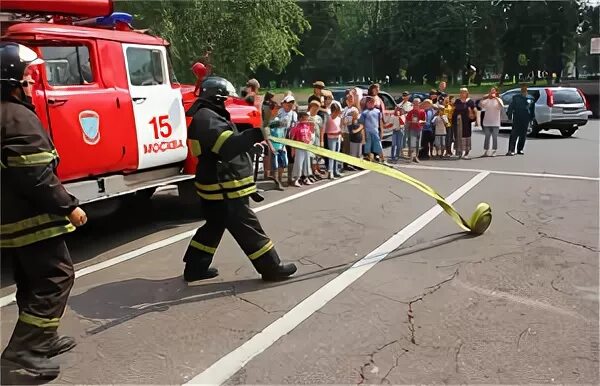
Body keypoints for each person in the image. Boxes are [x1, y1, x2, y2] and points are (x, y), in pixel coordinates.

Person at [0, 42, 88, 379]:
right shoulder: (18, 116)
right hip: (33, 217)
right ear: (12, 82)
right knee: (56, 278)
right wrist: (69, 206)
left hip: (11, 216)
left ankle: (43, 338)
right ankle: (23, 352)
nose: (32, 85)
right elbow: (36, 174)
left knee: (31, 280)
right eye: (27, 79)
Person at [183, 76, 297, 282]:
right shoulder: (208, 118)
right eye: (225, 99)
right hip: (224, 185)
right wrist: (256, 134)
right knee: (247, 226)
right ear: (216, 98)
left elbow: (221, 146)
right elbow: (227, 147)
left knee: (214, 225)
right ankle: (271, 267)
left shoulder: (207, 115)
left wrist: (248, 144)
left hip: (216, 182)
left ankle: (195, 267)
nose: (227, 102)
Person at [506, 83, 535, 156]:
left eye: (525, 88)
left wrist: (531, 119)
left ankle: (520, 149)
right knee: (514, 134)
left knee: (523, 135)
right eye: (522, 88)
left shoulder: (531, 98)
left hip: (526, 118)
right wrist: (509, 115)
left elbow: (532, 109)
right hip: (517, 117)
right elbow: (511, 107)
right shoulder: (516, 97)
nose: (524, 89)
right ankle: (511, 150)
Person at [357, 96, 384, 163]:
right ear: (367, 103)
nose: (371, 103)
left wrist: (382, 131)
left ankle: (382, 159)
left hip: (375, 132)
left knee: (378, 146)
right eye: (369, 102)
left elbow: (380, 122)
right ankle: (370, 159)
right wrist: (363, 135)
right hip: (367, 132)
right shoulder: (364, 113)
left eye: (372, 102)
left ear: (374, 103)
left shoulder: (377, 111)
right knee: (368, 146)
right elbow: (362, 124)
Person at [289, 112, 313, 187]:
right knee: (298, 163)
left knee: (307, 162)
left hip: (306, 146)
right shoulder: (296, 127)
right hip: (299, 147)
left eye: (306, 118)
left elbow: (309, 135)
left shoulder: (307, 126)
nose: (306, 119)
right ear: (300, 118)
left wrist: (309, 141)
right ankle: (296, 178)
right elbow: (292, 139)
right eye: (304, 118)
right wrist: (293, 149)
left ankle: (306, 177)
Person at [479, 87, 504, 157]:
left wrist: (495, 98)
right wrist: (484, 97)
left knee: (495, 137)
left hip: (496, 122)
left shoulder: (499, 100)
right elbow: (480, 105)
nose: (492, 92)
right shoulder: (487, 100)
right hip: (487, 122)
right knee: (487, 137)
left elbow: (501, 106)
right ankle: (486, 151)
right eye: (491, 91)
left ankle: (494, 150)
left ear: (496, 92)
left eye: (493, 91)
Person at [452, 88, 476, 159]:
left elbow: (474, 110)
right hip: (458, 121)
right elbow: (454, 110)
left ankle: (466, 152)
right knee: (458, 135)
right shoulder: (457, 101)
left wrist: (476, 119)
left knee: (466, 135)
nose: (462, 94)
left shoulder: (470, 101)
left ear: (467, 93)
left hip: (466, 122)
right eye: (461, 92)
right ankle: (459, 152)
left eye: (464, 92)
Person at [324, 101, 343, 179]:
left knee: (336, 154)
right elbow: (326, 131)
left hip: (338, 137)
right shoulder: (329, 118)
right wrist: (334, 133)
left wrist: (340, 134)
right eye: (335, 112)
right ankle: (330, 171)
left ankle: (336, 170)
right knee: (331, 155)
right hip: (331, 138)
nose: (336, 114)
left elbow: (340, 127)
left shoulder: (338, 118)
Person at [406, 98, 426, 163]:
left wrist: (421, 121)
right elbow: (407, 121)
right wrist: (410, 122)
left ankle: (416, 157)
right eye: (414, 103)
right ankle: (412, 157)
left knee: (418, 144)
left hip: (419, 129)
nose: (416, 105)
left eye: (417, 103)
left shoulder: (422, 112)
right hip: (412, 129)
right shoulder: (410, 112)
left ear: (419, 104)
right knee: (412, 144)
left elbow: (425, 121)